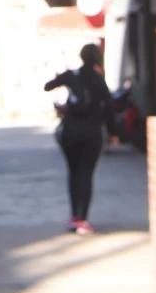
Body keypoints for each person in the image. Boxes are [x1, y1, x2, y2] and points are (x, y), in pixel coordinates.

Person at [44, 43, 117, 234]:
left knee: (73, 173)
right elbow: (109, 108)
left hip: (70, 132)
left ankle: (73, 216)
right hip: (92, 133)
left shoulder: (71, 76)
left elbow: (48, 87)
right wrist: (113, 133)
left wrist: (61, 78)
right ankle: (83, 219)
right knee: (87, 174)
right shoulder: (99, 80)